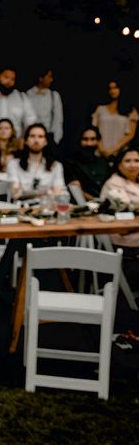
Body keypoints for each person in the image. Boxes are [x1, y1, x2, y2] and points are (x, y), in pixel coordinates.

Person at [100, 147, 139, 291]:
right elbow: (126, 208)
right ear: (119, 164)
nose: (133, 165)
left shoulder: (136, 181)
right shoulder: (114, 183)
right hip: (123, 233)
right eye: (128, 161)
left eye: (136, 161)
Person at [7, 123, 65, 201]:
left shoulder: (56, 166)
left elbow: (58, 193)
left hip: (47, 209)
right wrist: (46, 192)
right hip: (22, 209)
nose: (36, 140)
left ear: (45, 142)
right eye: (32, 136)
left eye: (40, 136)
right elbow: (16, 194)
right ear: (26, 141)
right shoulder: (14, 164)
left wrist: (28, 193)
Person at [91, 79, 139, 158]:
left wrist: (113, 150)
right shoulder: (100, 109)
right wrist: (101, 148)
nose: (112, 91)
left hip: (121, 153)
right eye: (110, 88)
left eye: (115, 88)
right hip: (100, 152)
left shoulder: (130, 110)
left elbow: (130, 135)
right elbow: (94, 131)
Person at [64, 126, 112, 201]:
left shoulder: (104, 162)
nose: (89, 143)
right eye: (85, 139)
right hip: (84, 204)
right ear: (80, 141)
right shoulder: (71, 163)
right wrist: (96, 201)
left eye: (93, 139)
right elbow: (76, 190)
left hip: (107, 202)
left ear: (98, 141)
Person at [26, 69, 64, 147]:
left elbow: (58, 119)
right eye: (49, 77)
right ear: (41, 78)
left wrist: (55, 140)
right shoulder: (27, 95)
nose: (51, 80)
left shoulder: (54, 95)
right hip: (31, 137)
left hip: (48, 137)